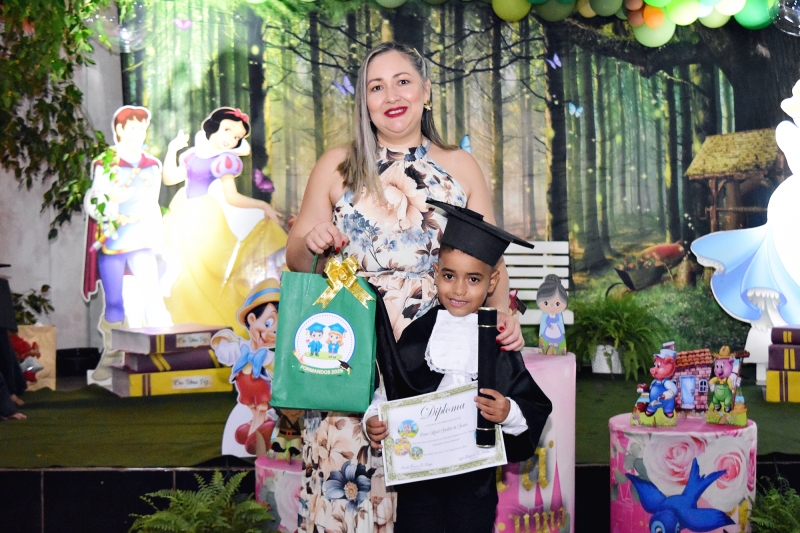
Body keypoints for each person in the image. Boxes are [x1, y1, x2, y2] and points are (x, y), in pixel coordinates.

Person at [285, 42, 524, 533]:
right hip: (350, 352)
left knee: (434, 503)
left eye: (403, 81)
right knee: (347, 497)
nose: (391, 95)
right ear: (365, 101)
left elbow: (490, 260)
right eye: (376, 86)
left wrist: (504, 321)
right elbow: (296, 258)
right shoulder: (337, 165)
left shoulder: (460, 165)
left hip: (438, 362)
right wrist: (312, 241)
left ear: (426, 91)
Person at [364, 200, 552, 533]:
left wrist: (507, 411)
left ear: (492, 282)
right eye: (450, 276)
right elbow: (392, 388)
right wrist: (374, 419)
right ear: (436, 273)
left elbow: (530, 404)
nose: (460, 289)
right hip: (419, 482)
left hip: (473, 484)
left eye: (474, 279)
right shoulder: (418, 333)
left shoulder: (497, 338)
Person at [162, 108, 287, 337]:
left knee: (209, 271)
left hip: (206, 218)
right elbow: (170, 178)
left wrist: (262, 206)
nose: (232, 138)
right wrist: (173, 149)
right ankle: (191, 325)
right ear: (214, 127)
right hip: (184, 215)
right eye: (228, 130)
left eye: (237, 136)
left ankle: (215, 325)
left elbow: (232, 197)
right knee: (186, 273)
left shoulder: (225, 161)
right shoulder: (192, 156)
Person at [83, 106, 174, 379]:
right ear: (120, 129)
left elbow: (153, 205)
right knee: (114, 302)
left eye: (142, 128)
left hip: (142, 240)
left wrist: (159, 239)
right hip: (112, 242)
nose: (138, 133)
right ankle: (111, 358)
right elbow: (95, 200)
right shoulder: (105, 163)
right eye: (133, 127)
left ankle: (161, 356)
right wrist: (111, 202)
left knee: (152, 296)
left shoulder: (152, 165)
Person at [212, 278, 280, 456]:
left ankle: (257, 430)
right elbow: (224, 339)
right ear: (251, 319)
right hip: (246, 393)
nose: (270, 333)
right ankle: (255, 425)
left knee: (262, 407)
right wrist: (224, 346)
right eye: (267, 323)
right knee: (251, 406)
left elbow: (278, 373)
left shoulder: (269, 357)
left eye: (277, 330)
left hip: (263, 394)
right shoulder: (241, 348)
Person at [536, 273, 568, 355]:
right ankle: (548, 346)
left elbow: (557, 320)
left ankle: (556, 346)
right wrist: (549, 325)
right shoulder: (545, 316)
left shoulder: (558, 316)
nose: (552, 307)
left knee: (556, 335)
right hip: (549, 328)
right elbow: (547, 321)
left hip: (556, 327)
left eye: (557, 304)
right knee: (548, 336)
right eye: (546, 303)